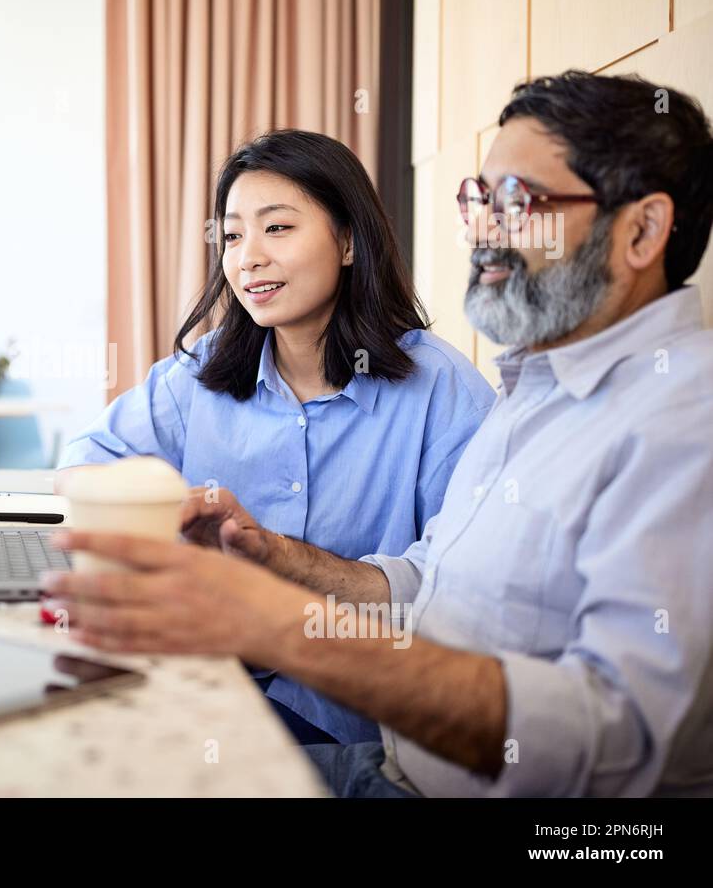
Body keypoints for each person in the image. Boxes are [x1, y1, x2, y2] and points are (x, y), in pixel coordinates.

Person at [43, 71, 713, 796]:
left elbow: (620, 739)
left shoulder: (683, 418)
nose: (481, 230)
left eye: (516, 203)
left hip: (407, 767)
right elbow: (430, 583)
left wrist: (277, 622)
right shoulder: (535, 389)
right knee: (75, 756)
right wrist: (271, 556)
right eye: (479, 200)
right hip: (394, 762)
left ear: (641, 229)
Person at [57, 129, 494, 743]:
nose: (247, 258)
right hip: (204, 673)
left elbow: (450, 592)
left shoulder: (443, 391)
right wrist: (155, 510)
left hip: (348, 715)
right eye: (232, 235)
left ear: (347, 240)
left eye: (278, 228)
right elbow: (84, 462)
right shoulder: (199, 374)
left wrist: (278, 557)